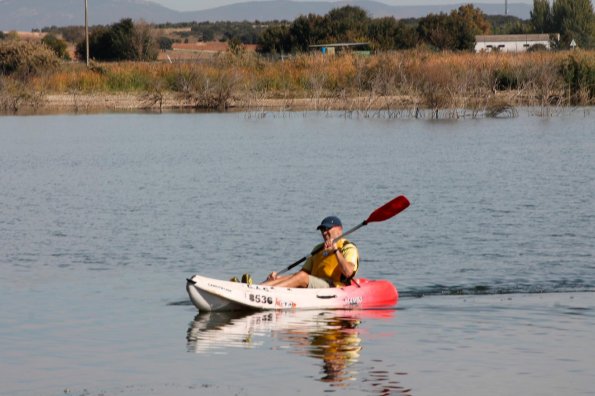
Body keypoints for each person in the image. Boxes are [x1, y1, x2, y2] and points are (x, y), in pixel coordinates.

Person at [263, 216, 359, 288]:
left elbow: (348, 272)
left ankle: (271, 291)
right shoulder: (318, 248)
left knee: (302, 277)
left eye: (327, 229)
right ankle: (259, 288)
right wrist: (279, 278)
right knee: (283, 277)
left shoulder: (348, 247)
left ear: (339, 230)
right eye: (322, 229)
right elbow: (301, 274)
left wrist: (335, 251)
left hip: (335, 287)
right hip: (315, 285)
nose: (324, 232)